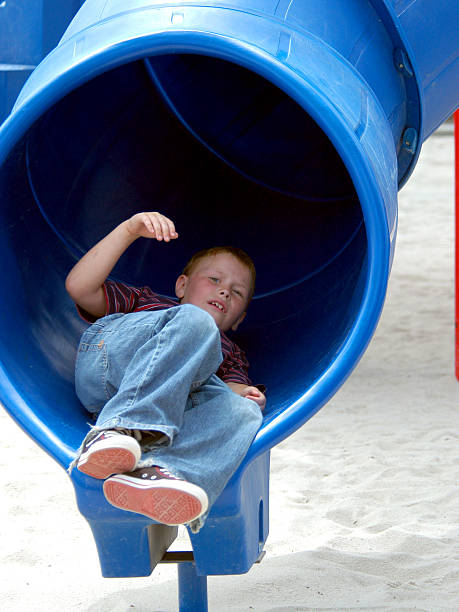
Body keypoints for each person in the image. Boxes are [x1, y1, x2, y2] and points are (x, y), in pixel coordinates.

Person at [66, 211, 265, 532]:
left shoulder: (231, 352)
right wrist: (129, 229)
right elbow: (79, 287)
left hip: (161, 415)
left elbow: (227, 394)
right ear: (182, 285)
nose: (225, 291)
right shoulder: (150, 302)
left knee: (246, 413)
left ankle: (163, 472)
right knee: (195, 322)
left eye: (237, 292)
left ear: (240, 318)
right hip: (107, 366)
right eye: (214, 280)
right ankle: (117, 430)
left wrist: (246, 395)